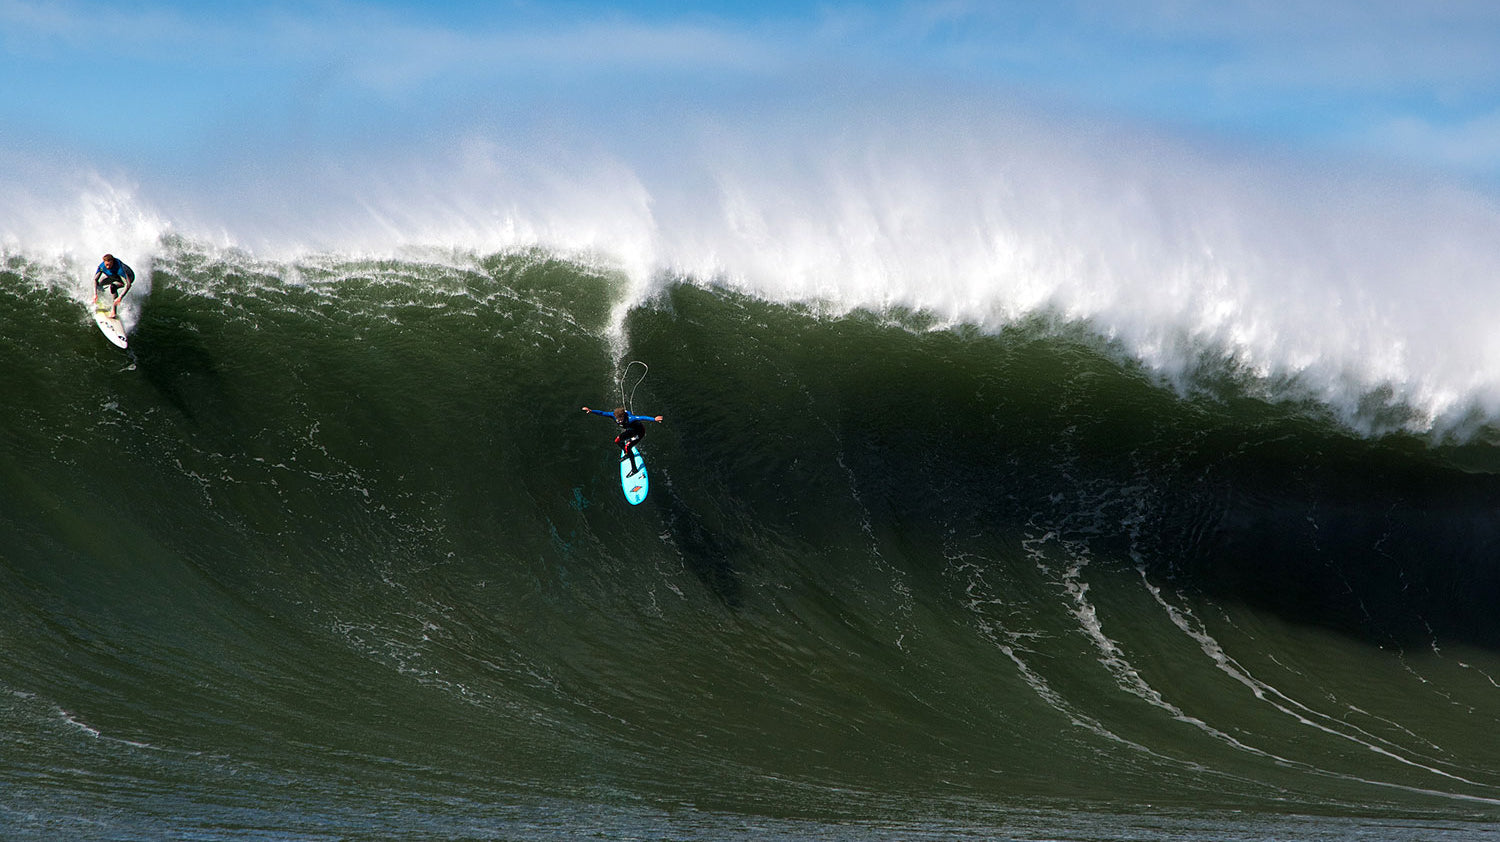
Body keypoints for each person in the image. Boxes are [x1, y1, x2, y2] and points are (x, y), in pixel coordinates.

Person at [582, 406, 662, 476]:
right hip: (631, 431)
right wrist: (591, 410)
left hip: (639, 432)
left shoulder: (631, 418)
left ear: (623, 416)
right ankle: (627, 454)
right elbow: (602, 413)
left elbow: (642, 417)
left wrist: (654, 419)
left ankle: (634, 469)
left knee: (628, 447)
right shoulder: (613, 415)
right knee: (617, 440)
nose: (619, 421)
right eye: (617, 419)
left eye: (620, 419)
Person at [93, 254, 136, 318]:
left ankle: (114, 312)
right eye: (106, 264)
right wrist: (95, 294)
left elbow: (128, 284)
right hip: (114, 276)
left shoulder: (120, 269)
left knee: (113, 287)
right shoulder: (102, 267)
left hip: (128, 278)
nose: (107, 267)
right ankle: (99, 299)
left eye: (109, 265)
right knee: (99, 284)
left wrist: (120, 297)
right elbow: (95, 279)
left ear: (112, 262)